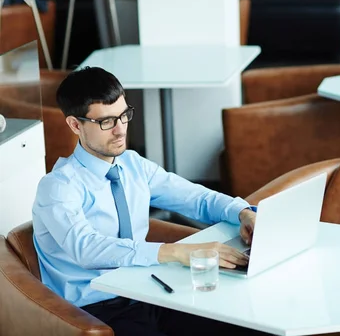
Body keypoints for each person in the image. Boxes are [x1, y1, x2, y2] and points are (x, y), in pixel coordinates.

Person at [32, 67, 264, 335]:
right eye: (106, 122)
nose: (120, 130)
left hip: (149, 288)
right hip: (97, 307)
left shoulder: (132, 165)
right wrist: (176, 252)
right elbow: (87, 249)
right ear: (75, 125)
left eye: (123, 116)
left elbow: (196, 198)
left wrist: (243, 212)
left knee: (246, 324)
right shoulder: (58, 186)